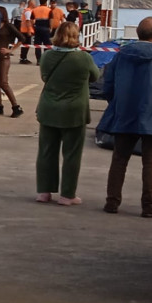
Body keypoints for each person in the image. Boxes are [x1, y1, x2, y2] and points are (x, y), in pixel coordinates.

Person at [97, 17, 152, 217]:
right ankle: (149, 205)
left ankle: (112, 201)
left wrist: (116, 105)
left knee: (119, 159)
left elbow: (108, 85)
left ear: (138, 34)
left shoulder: (121, 55)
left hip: (124, 114)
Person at [35, 22, 99, 205]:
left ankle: (44, 192)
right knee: (71, 154)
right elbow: (95, 76)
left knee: (46, 151)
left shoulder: (47, 56)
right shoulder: (84, 58)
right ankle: (67, 194)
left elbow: (44, 77)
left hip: (49, 109)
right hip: (74, 111)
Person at [0, 5, 24, 118]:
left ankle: (16, 107)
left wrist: (10, 50)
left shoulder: (8, 26)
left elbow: (22, 38)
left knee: (3, 82)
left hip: (3, 58)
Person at [31, 0, 52, 64]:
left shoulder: (35, 9)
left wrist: (33, 27)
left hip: (37, 28)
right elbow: (51, 20)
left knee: (37, 45)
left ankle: (38, 60)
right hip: (46, 28)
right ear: (46, 2)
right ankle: (45, 60)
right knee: (47, 45)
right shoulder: (49, 10)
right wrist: (51, 28)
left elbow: (32, 20)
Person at [19, 0, 35, 64]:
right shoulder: (28, 11)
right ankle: (23, 58)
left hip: (24, 30)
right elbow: (28, 21)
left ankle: (23, 58)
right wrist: (29, 30)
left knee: (26, 45)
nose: (35, 4)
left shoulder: (28, 10)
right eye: (34, 3)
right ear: (31, 4)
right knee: (26, 45)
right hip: (26, 31)